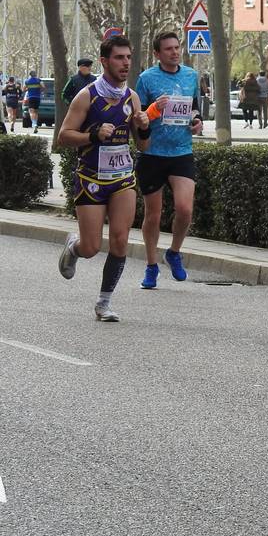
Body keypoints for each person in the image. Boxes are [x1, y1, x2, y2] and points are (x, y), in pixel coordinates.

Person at [56, 36, 151, 321]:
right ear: (104, 61)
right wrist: (92, 134)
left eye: (128, 57)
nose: (125, 63)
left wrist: (144, 128)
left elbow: (143, 146)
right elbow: (64, 136)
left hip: (123, 178)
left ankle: (103, 303)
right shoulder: (87, 95)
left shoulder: (131, 97)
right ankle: (74, 247)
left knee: (121, 240)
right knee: (91, 247)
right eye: (119, 57)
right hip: (91, 179)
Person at [134, 32, 204, 290]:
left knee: (185, 209)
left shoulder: (191, 75)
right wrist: (154, 109)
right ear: (157, 53)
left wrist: (197, 122)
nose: (174, 52)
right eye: (168, 49)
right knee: (154, 214)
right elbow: (137, 116)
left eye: (177, 48)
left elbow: (195, 107)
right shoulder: (147, 78)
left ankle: (174, 252)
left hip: (181, 151)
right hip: (152, 153)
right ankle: (151, 266)